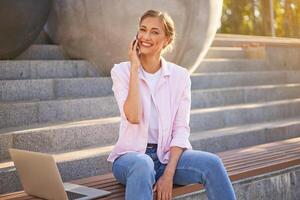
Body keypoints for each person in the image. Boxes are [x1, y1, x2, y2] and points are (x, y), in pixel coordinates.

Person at [107, 9, 237, 200]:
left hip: (167, 157)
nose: (146, 36)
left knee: (212, 164)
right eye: (143, 30)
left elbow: (181, 129)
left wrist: (168, 175)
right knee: (143, 164)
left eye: (154, 32)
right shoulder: (122, 72)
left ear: (167, 40)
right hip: (131, 158)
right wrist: (135, 68)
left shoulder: (180, 76)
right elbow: (133, 116)